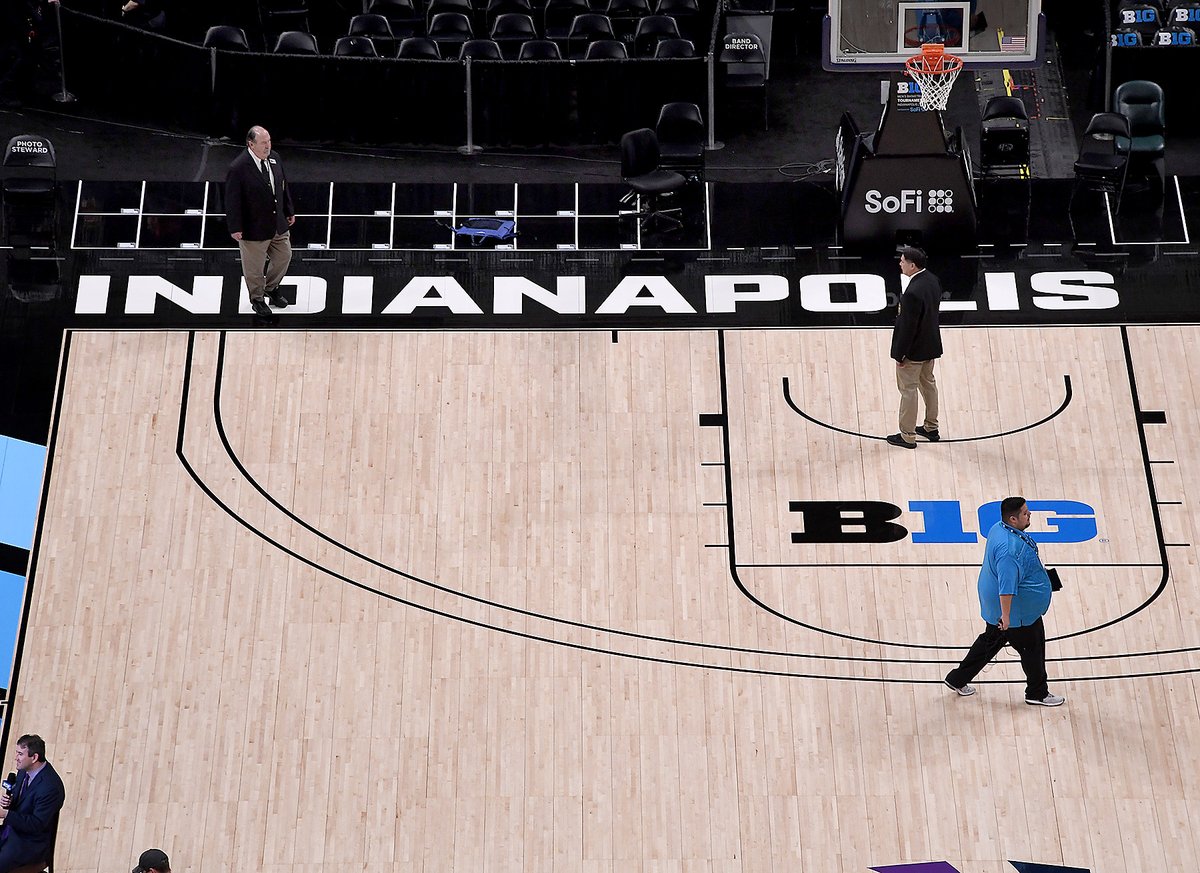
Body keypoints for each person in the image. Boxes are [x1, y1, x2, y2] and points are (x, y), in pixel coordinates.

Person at [944, 496, 1066, 707]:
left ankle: (957, 679)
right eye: (1025, 513)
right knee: (1033, 649)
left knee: (991, 641)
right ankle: (1037, 693)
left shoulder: (998, 528)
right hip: (1018, 614)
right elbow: (1007, 588)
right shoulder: (1010, 552)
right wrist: (1007, 617)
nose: (1030, 515)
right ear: (1012, 519)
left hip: (997, 607)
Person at [225, 125, 295, 318]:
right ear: (250, 144)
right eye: (263, 143)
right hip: (253, 227)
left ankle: (271, 288)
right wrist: (235, 227)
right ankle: (257, 299)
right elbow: (232, 200)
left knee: (284, 256)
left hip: (277, 223)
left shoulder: (275, 158)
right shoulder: (238, 167)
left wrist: (288, 210)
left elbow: (282, 185)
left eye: (269, 141)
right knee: (254, 269)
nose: (268, 146)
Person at [886, 245, 942, 449]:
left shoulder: (912, 292)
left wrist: (900, 354)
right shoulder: (932, 280)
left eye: (902, 261)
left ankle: (907, 435)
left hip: (913, 351)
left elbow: (907, 327)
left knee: (908, 391)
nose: (900, 264)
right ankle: (931, 427)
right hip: (931, 345)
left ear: (912, 265)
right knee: (929, 385)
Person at [0, 734, 67, 873]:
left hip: (30, 843)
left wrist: (6, 814)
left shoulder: (50, 787)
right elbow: (23, 802)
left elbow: (36, 824)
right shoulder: (24, 771)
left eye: (20, 754)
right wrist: (10, 803)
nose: (15, 758)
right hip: (12, 831)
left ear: (34, 757)